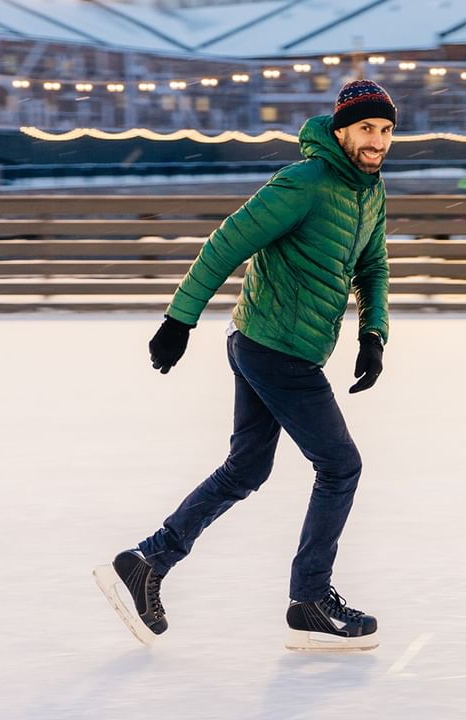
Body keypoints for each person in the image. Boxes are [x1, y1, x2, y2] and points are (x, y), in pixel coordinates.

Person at [109, 80, 395, 652]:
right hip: (275, 348)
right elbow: (225, 244)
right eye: (367, 129)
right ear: (341, 130)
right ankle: (309, 598)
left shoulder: (369, 189)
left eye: (386, 130)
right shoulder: (303, 183)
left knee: (246, 469)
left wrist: (373, 334)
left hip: (276, 345)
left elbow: (374, 264)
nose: (378, 141)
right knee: (340, 466)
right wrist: (178, 321)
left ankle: (148, 562)